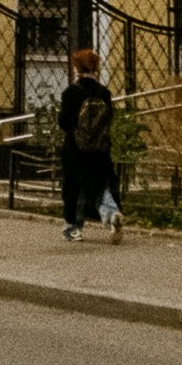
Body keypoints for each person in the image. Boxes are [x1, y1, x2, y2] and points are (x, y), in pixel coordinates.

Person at [56, 48, 122, 243]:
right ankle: (112, 215)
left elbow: (64, 122)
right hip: (100, 150)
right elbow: (109, 119)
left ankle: (73, 228)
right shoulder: (104, 93)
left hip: (76, 149)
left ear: (76, 68)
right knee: (100, 185)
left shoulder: (71, 93)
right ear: (95, 67)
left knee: (75, 188)